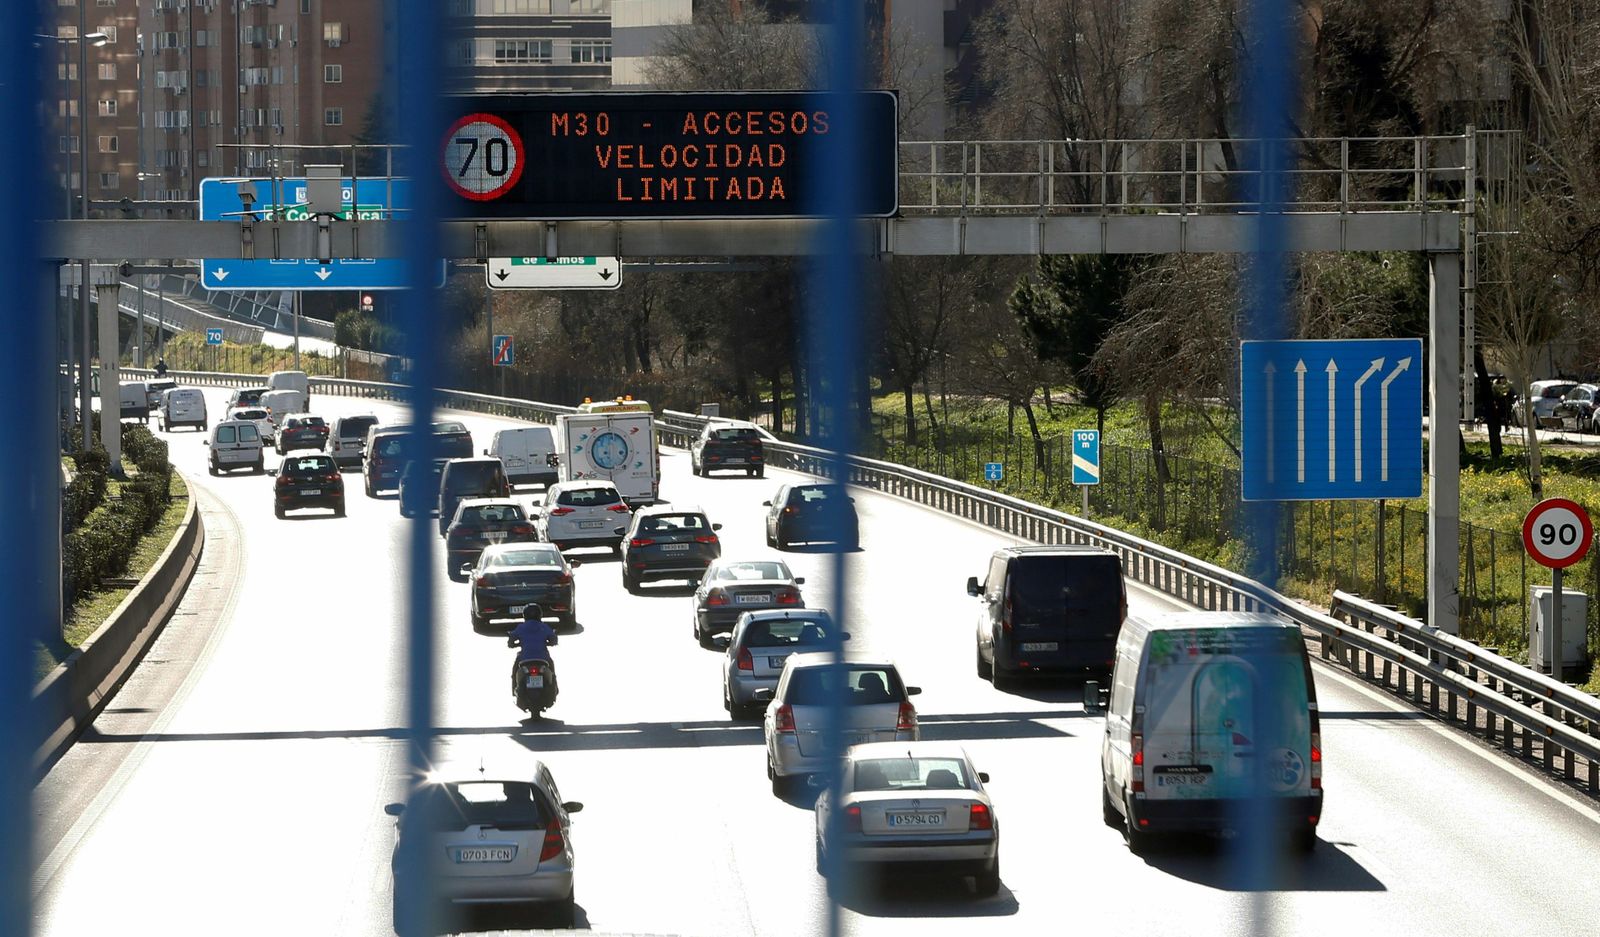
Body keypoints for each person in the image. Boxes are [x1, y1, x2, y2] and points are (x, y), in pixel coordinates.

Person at [508, 605, 558, 700]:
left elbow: (511, 639)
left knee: (515, 670)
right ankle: (555, 688)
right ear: (540, 615)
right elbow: (553, 639)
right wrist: (551, 642)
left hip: (524, 659)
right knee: (552, 670)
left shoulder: (521, 627)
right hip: (543, 658)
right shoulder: (544, 626)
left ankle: (514, 688)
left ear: (525, 615)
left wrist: (512, 644)